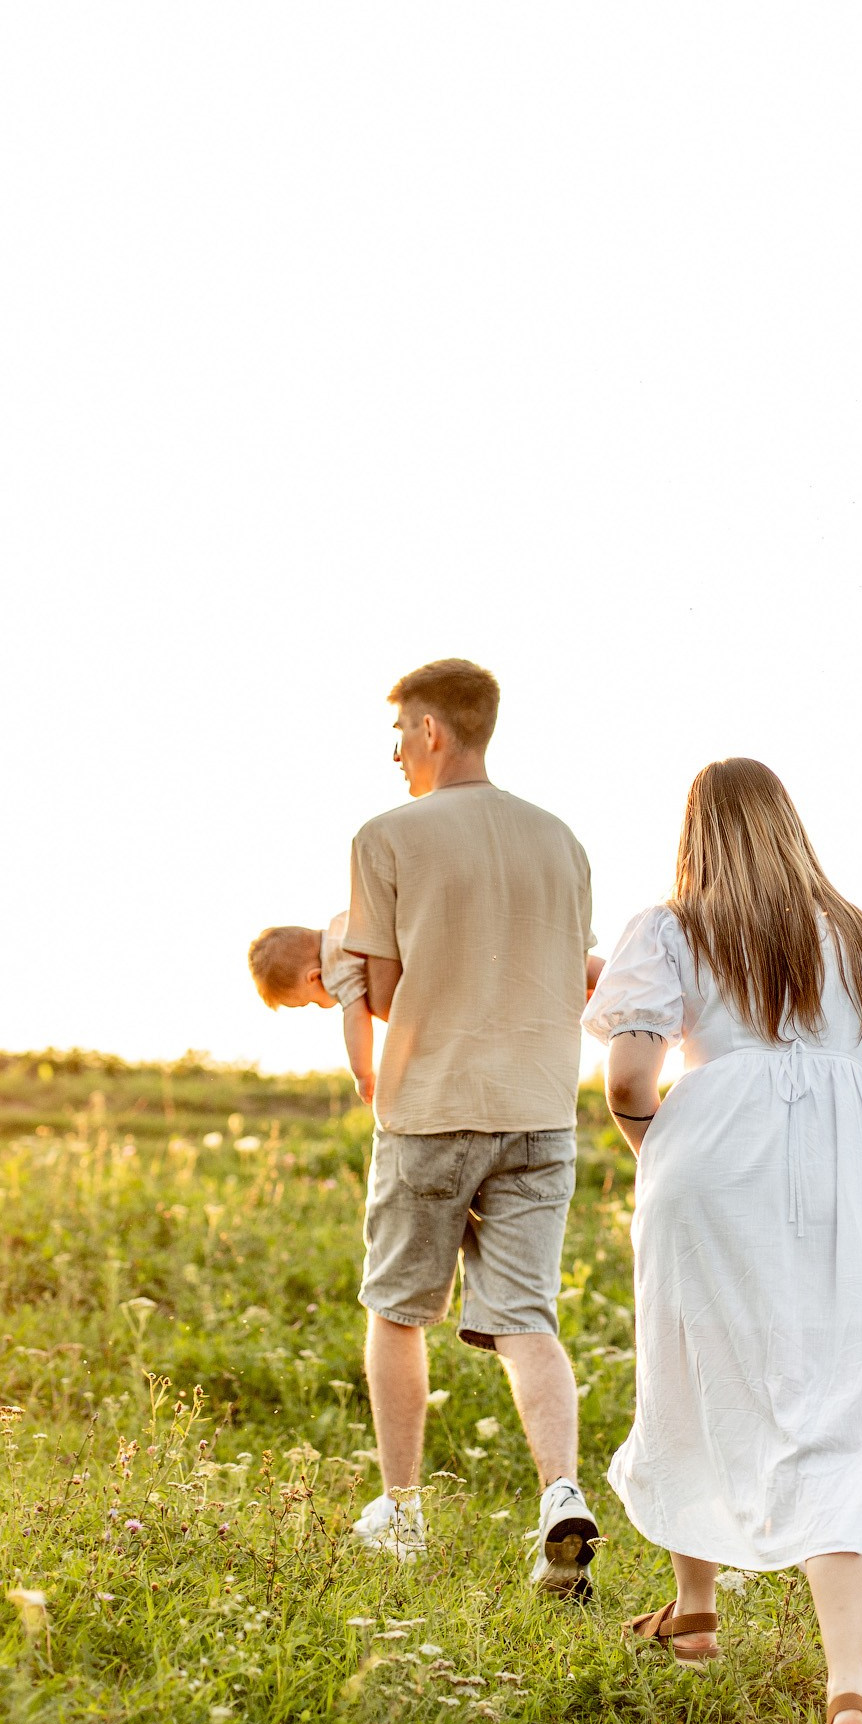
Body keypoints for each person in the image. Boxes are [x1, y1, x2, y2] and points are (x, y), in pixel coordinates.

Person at [584, 757, 862, 1724]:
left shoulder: (669, 927)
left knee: (694, 1375)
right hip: (845, 1179)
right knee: (848, 1411)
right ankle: (847, 1698)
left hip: (709, 1164)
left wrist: (666, 1155)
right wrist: (838, 1174)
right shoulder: (859, 935)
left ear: (696, 834)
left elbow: (628, 1079)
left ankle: (696, 1610)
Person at [343, 657, 602, 1596]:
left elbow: (380, 992)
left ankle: (403, 1513)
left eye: (400, 733)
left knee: (400, 1311)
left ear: (433, 732)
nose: (395, 752)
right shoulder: (562, 841)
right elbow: (578, 971)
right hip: (541, 1113)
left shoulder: (387, 836)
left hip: (432, 1111)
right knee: (529, 1320)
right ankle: (559, 1494)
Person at [247, 915, 376, 1104]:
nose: (319, 1007)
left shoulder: (336, 967)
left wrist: (362, 1074)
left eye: (310, 1002)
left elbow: (356, 1018)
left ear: (315, 977)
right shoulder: (343, 923)